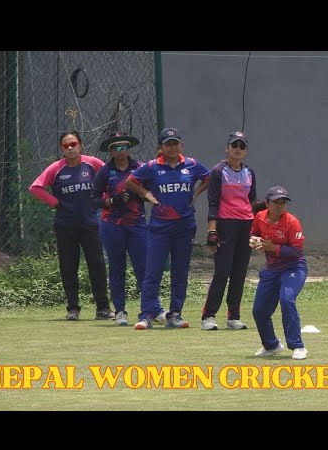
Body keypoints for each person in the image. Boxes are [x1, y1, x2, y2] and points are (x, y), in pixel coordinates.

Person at [125, 127, 210, 330]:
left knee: (180, 272)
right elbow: (131, 181)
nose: (172, 147)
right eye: (168, 144)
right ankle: (146, 315)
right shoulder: (152, 167)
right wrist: (146, 194)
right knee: (152, 272)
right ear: (161, 147)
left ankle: (175, 315)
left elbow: (209, 178)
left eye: (175, 143)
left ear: (181, 145)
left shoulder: (191, 165)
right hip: (159, 228)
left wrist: (196, 194)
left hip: (185, 226)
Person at [29, 131, 113, 321]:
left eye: (73, 144)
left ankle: (103, 308)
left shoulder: (93, 163)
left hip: (91, 224)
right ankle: (73, 309)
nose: (70, 148)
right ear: (62, 149)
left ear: (80, 145)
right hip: (65, 225)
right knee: (68, 266)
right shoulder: (56, 168)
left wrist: (105, 201)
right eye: (66, 146)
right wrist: (54, 202)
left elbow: (110, 179)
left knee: (97, 265)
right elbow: (35, 187)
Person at [89, 131, 166, 326]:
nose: (121, 152)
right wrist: (111, 200)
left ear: (129, 148)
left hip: (137, 225)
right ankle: (120, 311)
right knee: (117, 268)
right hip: (112, 225)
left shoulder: (139, 168)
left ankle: (152, 309)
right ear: (111, 151)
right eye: (117, 148)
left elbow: (151, 190)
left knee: (144, 268)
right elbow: (93, 200)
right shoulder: (105, 171)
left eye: (124, 147)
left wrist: (139, 195)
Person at [201, 131, 265, 331]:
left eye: (242, 146)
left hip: (245, 225)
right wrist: (212, 231)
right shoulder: (218, 171)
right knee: (222, 271)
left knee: (239, 272)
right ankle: (208, 316)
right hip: (225, 224)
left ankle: (233, 317)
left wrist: (266, 207)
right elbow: (213, 203)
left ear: (246, 151)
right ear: (227, 148)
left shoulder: (249, 172)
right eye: (234, 145)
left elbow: (252, 202)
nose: (237, 149)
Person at [250, 186, 308, 360]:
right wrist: (253, 241)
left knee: (286, 299)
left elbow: (296, 252)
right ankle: (271, 345)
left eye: (283, 202)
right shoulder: (260, 217)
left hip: (294, 268)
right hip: (272, 269)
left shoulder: (292, 222)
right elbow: (253, 234)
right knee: (259, 310)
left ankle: (298, 346)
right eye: (276, 202)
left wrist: (273, 248)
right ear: (267, 203)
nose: (280, 206)